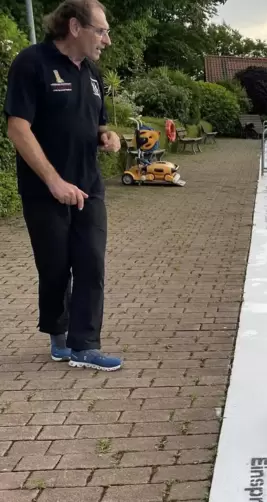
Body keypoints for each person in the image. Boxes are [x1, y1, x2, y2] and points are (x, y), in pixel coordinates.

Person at [4, 0, 122, 371]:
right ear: (75, 27)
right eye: (101, 31)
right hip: (44, 190)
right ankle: (59, 335)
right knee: (55, 267)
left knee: (91, 263)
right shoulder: (32, 63)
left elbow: (97, 121)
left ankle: (85, 344)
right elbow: (17, 128)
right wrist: (54, 181)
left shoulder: (92, 73)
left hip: (90, 187)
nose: (107, 40)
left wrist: (108, 136)